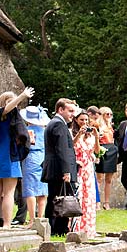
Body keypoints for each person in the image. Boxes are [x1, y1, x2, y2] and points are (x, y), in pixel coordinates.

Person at [0, 87, 33, 228]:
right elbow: (6, 109)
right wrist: (22, 96)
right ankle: (6, 224)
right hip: (8, 155)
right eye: (11, 103)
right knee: (9, 192)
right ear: (4, 102)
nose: (14, 107)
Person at [42, 98, 78, 235]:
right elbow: (62, 149)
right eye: (70, 111)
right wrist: (66, 170)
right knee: (60, 200)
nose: (72, 114)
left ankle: (54, 228)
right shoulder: (58, 124)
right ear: (60, 110)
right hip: (59, 169)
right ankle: (58, 229)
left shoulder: (55, 123)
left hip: (56, 168)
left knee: (55, 199)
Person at [19, 105, 50, 224]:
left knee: (30, 189)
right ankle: (40, 217)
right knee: (42, 189)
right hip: (43, 157)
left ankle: (32, 219)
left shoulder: (26, 131)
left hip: (30, 157)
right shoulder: (45, 131)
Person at [71, 110, 99, 238]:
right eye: (82, 120)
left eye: (86, 120)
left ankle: (88, 228)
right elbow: (71, 146)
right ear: (76, 120)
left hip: (88, 167)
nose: (84, 122)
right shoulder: (73, 132)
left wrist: (97, 137)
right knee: (79, 196)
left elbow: (97, 150)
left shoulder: (90, 136)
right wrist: (79, 135)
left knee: (89, 197)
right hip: (78, 166)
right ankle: (75, 226)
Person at [95, 106, 118, 210]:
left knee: (109, 179)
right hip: (102, 148)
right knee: (99, 178)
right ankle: (97, 202)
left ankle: (106, 202)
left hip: (112, 150)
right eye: (107, 114)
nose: (109, 116)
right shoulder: (97, 125)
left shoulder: (111, 126)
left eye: (110, 114)